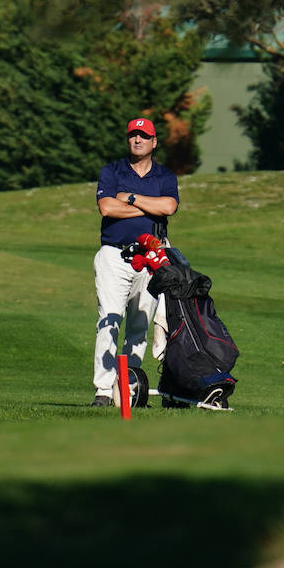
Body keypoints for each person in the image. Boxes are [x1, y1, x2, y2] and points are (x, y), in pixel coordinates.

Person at [90, 117, 179, 406]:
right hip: (114, 254)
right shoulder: (112, 171)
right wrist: (148, 210)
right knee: (110, 319)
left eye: (144, 136)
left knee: (140, 325)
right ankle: (103, 391)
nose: (137, 140)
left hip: (150, 257)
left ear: (154, 142)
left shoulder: (164, 176)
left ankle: (127, 388)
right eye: (133, 136)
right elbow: (107, 208)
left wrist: (128, 198)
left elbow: (168, 207)